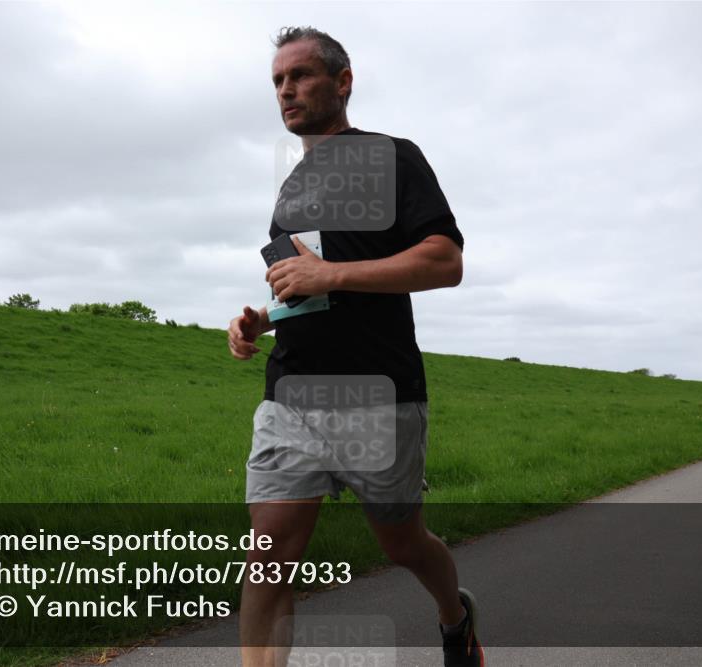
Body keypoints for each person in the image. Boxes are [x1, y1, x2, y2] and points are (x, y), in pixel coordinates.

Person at [227, 26, 484, 667]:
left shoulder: (392, 157)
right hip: (292, 393)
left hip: (379, 392)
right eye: (278, 82)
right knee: (267, 555)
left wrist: (331, 274)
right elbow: (306, 289)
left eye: (301, 76)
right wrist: (263, 317)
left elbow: (444, 261)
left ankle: (456, 616)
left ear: (343, 82)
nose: (287, 90)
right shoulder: (291, 192)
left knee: (402, 544)